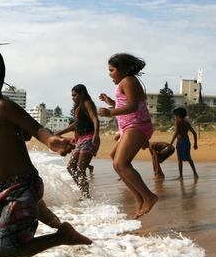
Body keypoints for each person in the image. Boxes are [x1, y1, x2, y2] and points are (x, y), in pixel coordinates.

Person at [0, 37, 91, 257]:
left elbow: (36, 128)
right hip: (0, 187)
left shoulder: (3, 107)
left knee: (5, 252)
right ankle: (36, 207)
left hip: (23, 186)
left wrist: (51, 141)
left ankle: (62, 235)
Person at [98, 53, 158, 218]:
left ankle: (149, 197)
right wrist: (110, 102)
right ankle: (139, 198)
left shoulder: (129, 81)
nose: (109, 73)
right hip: (128, 127)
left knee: (122, 163)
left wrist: (110, 112)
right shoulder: (123, 83)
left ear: (122, 70)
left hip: (137, 125)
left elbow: (132, 106)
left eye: (111, 70)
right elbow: (125, 103)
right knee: (115, 159)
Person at [55, 84, 100, 198]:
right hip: (80, 140)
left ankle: (86, 196)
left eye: (74, 95)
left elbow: (95, 119)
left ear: (81, 94)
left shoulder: (87, 103)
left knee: (80, 169)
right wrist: (60, 133)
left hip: (89, 138)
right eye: (72, 95)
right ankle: (84, 192)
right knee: (71, 167)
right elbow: (75, 125)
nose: (72, 97)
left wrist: (96, 134)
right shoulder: (77, 107)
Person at [170, 107, 199, 179]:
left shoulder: (178, 122)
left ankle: (181, 176)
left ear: (179, 115)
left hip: (180, 143)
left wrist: (171, 143)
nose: (175, 117)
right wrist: (195, 144)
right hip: (186, 142)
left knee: (179, 160)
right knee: (189, 158)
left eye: (175, 115)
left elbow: (176, 132)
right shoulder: (187, 123)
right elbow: (194, 133)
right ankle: (195, 173)